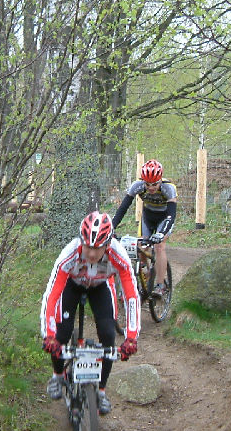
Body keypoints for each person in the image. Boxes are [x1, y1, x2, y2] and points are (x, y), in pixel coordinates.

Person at [40, 211, 140, 414]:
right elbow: (52, 295)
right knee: (61, 333)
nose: (92, 254)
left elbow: (131, 296)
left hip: (101, 286)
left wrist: (131, 337)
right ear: (81, 240)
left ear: (108, 244)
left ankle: (101, 391)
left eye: (97, 248)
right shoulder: (70, 253)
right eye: (87, 247)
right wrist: (49, 336)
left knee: (108, 335)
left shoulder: (118, 254)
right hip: (72, 285)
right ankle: (58, 376)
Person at [111, 159, 177, 297]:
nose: (151, 188)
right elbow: (122, 209)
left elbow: (171, 215)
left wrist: (162, 233)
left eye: (154, 184)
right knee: (140, 246)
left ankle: (160, 286)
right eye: (147, 184)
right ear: (143, 181)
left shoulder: (169, 188)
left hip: (164, 219)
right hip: (147, 217)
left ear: (160, 180)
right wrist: (111, 227)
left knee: (159, 246)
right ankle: (146, 273)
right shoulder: (137, 186)